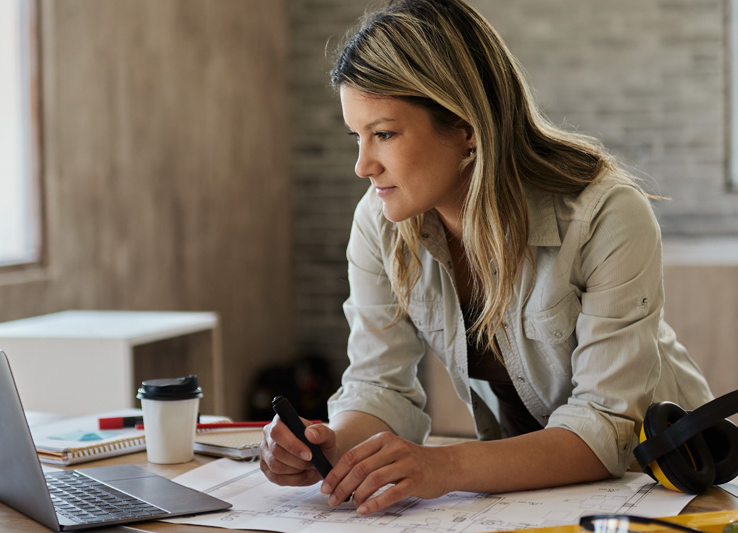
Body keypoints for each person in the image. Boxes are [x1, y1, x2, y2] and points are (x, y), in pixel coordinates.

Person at [260, 0, 714, 515]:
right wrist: (328, 445)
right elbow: (377, 386)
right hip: (529, 491)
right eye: (356, 136)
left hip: (659, 484)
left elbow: (606, 428)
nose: (363, 165)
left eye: (383, 134)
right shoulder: (381, 222)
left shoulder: (604, 215)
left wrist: (443, 467)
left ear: (467, 126)